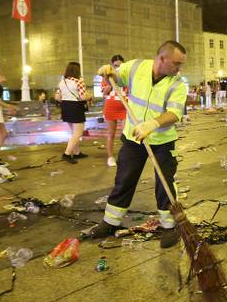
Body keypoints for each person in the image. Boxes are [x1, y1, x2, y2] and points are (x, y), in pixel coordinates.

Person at [81, 41, 188, 247]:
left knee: (165, 183)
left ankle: (169, 226)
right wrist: (107, 72)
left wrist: (152, 124)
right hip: (133, 138)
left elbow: (175, 113)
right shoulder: (136, 67)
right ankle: (110, 222)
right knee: (124, 179)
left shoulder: (177, 84)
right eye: (176, 63)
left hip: (162, 141)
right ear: (162, 58)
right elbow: (116, 77)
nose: (179, 68)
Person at [59, 61, 91, 164]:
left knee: (74, 132)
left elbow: (57, 97)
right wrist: (90, 96)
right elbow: (82, 97)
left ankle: (76, 152)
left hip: (65, 106)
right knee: (78, 133)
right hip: (75, 107)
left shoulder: (62, 82)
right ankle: (67, 154)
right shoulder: (79, 82)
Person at [101, 54, 128, 167]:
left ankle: (125, 156)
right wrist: (110, 82)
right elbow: (104, 93)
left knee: (125, 134)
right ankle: (110, 157)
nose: (118, 67)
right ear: (112, 65)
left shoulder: (127, 76)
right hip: (111, 106)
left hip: (125, 106)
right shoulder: (106, 77)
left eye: (120, 65)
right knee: (111, 133)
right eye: (116, 65)